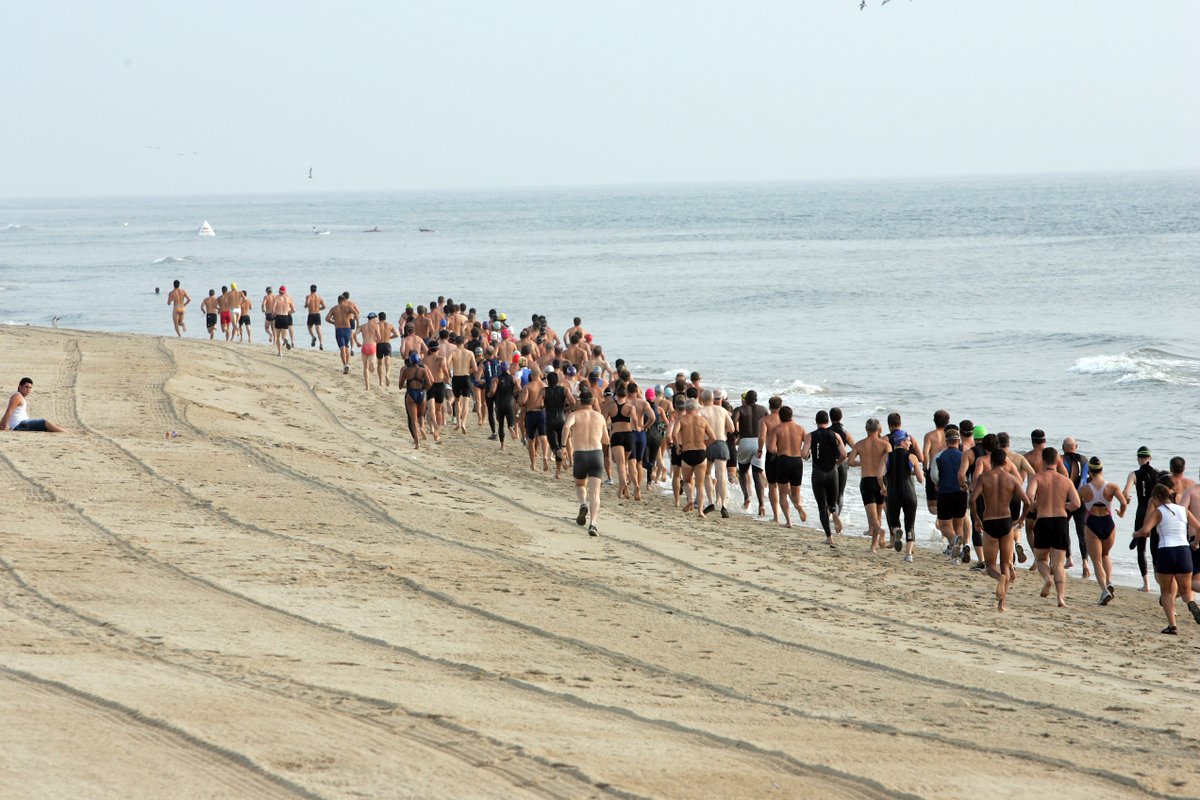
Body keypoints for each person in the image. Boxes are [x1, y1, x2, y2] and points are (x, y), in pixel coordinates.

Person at [1134, 483, 1200, 635]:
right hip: (1184, 551)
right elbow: (1199, 527)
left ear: (1157, 498)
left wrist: (1137, 534)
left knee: (1166, 591)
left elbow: (1145, 530)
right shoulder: (1183, 510)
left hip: (1166, 552)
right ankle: (1191, 603)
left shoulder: (1158, 512)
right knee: (1185, 589)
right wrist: (1195, 543)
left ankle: (1172, 626)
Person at [970, 449, 1031, 611]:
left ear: (991, 463)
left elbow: (972, 499)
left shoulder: (984, 478)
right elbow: (1028, 502)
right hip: (1006, 522)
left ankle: (1000, 578)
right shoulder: (1012, 479)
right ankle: (1001, 604)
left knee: (990, 566)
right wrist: (1021, 519)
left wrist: (976, 518)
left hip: (989, 522)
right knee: (1006, 563)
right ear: (1005, 462)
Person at [1027, 448, 1081, 608]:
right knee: (1058, 564)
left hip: (1043, 521)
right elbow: (1077, 504)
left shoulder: (1037, 477)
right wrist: (1062, 505)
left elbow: (1029, 495)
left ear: (1043, 461)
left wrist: (1034, 506)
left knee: (1041, 559)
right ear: (1058, 461)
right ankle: (1060, 598)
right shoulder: (1066, 481)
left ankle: (1047, 579)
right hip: (1060, 522)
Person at [1078, 456, 1128, 605]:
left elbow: (1074, 503)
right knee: (1106, 555)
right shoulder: (1112, 487)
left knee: (1096, 560)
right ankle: (1109, 581)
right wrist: (1122, 513)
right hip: (1108, 523)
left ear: (1090, 472)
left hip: (1092, 523)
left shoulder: (1084, 489)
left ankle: (1104, 590)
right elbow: (1124, 502)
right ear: (1101, 469)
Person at [561, 388, 609, 536]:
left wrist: (563, 446)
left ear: (580, 401)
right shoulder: (600, 417)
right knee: (595, 493)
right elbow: (606, 440)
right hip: (596, 454)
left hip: (580, 454)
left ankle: (582, 504)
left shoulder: (574, 415)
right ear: (593, 401)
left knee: (580, 484)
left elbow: (566, 426)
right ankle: (593, 524)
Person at [803, 409, 847, 544]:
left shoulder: (810, 436)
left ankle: (829, 537)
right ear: (827, 422)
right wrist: (836, 464)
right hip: (832, 472)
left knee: (822, 506)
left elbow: (803, 454)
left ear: (816, 422)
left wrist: (810, 455)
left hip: (818, 474)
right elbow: (844, 454)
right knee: (833, 502)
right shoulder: (835, 435)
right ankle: (834, 513)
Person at [847, 418, 890, 552]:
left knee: (872, 518)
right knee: (878, 516)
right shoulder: (885, 444)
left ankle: (879, 534)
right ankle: (873, 546)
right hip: (881, 481)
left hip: (867, 481)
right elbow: (890, 462)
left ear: (866, 429)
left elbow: (850, 462)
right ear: (879, 429)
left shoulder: (859, 444)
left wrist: (863, 462)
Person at [766, 406, 809, 532]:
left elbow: (771, 448)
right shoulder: (800, 428)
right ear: (791, 415)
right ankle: (799, 507)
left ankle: (789, 521)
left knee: (783, 493)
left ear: (780, 416)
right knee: (796, 492)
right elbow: (808, 443)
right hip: (797, 461)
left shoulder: (777, 429)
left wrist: (780, 450)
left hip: (783, 461)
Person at [883, 429, 924, 561]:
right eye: (908, 441)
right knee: (910, 524)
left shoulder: (887, 456)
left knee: (893, 522)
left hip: (893, 494)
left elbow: (879, 475)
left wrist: (883, 487)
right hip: (909, 494)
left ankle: (896, 532)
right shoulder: (912, 457)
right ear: (901, 442)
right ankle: (909, 555)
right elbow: (920, 479)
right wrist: (910, 471)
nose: (910, 443)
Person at [673, 398, 716, 518]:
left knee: (687, 481)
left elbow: (674, 434)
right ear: (696, 408)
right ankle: (700, 511)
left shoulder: (681, 420)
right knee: (700, 484)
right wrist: (704, 445)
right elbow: (713, 437)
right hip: (701, 453)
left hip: (687, 452)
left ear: (686, 408)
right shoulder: (702, 420)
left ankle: (690, 499)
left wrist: (677, 447)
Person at [1124, 446, 1159, 592]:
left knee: (1141, 550)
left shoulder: (1134, 474)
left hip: (1142, 512)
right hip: (1156, 514)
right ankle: (1161, 581)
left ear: (1138, 458)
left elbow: (1125, 493)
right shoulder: (1158, 473)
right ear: (1150, 458)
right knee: (1155, 549)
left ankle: (1146, 584)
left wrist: (1127, 499)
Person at [932, 426, 969, 561]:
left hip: (945, 491)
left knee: (944, 524)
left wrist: (937, 483)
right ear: (958, 441)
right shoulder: (964, 456)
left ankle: (954, 541)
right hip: (961, 492)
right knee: (958, 524)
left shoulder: (939, 456)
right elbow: (968, 476)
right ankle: (956, 556)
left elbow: (934, 475)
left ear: (946, 441)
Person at [733, 391, 767, 515]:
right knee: (757, 474)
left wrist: (736, 434)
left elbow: (732, 422)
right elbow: (768, 423)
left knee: (742, 471)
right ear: (756, 399)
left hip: (745, 441)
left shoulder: (740, 409)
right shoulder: (763, 409)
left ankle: (746, 496)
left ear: (745, 399)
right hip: (759, 442)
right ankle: (762, 505)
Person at [398, 352, 434, 449]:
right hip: (421, 394)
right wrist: (424, 389)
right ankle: (422, 427)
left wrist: (407, 384)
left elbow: (400, 386)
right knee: (421, 415)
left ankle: (417, 442)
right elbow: (430, 383)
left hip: (411, 394)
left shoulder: (406, 371)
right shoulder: (423, 370)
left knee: (413, 420)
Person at [519, 365, 550, 471]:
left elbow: (522, 402)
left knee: (531, 440)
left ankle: (533, 463)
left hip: (531, 414)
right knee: (543, 437)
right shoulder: (545, 386)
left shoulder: (528, 387)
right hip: (542, 413)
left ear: (531, 375)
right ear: (540, 375)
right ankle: (545, 456)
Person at [448, 340, 478, 435]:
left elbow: (446, 363)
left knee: (457, 401)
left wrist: (449, 371)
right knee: (466, 402)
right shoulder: (470, 353)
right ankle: (463, 423)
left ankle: (458, 423)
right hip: (466, 377)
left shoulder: (453, 352)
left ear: (456, 343)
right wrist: (467, 371)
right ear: (463, 343)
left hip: (456, 377)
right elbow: (475, 368)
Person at [325, 294, 355, 374]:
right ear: (344, 300)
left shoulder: (334, 309)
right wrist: (350, 317)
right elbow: (356, 313)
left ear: (338, 300)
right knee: (347, 347)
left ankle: (345, 365)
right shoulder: (348, 307)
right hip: (348, 329)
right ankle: (347, 363)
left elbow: (327, 318)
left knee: (342, 348)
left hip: (339, 329)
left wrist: (334, 322)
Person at [374, 311, 399, 389]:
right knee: (387, 364)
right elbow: (397, 335)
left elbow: (373, 336)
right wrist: (389, 338)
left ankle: (381, 381)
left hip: (379, 345)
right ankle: (387, 374)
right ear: (385, 318)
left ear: (379, 318)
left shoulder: (377, 325)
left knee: (380, 364)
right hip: (387, 345)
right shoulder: (389, 325)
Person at [272, 286, 295, 355]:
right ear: (285, 292)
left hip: (278, 316)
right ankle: (285, 338)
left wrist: (274, 314)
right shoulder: (288, 298)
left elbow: (273, 309)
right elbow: (294, 310)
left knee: (278, 336)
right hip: (285, 317)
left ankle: (280, 352)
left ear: (279, 291)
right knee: (284, 334)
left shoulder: (277, 298)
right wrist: (288, 313)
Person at [305, 285, 326, 349]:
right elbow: (324, 306)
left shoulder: (308, 296)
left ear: (310, 289)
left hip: (311, 314)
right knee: (318, 330)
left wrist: (306, 305)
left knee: (309, 327)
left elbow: (307, 304)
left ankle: (313, 337)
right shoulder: (319, 297)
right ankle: (321, 344)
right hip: (317, 314)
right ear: (316, 290)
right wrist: (318, 309)